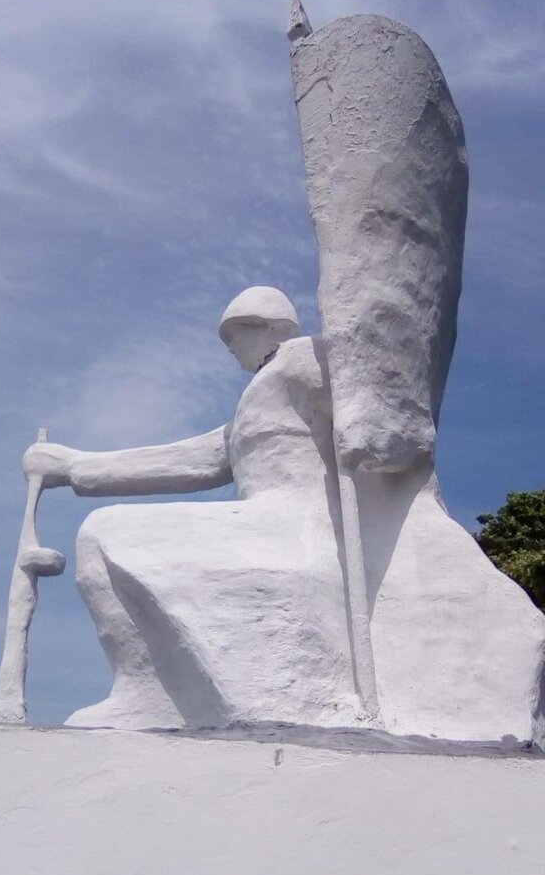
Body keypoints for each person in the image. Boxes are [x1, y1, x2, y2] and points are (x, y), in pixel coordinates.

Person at [24, 287, 359, 729]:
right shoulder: (254, 403)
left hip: (297, 528)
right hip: (262, 522)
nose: (232, 348)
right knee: (102, 533)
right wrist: (73, 465)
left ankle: (145, 690)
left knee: (103, 532)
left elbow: (364, 398)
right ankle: (146, 689)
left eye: (236, 334)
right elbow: (191, 459)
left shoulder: (301, 360)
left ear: (272, 327)